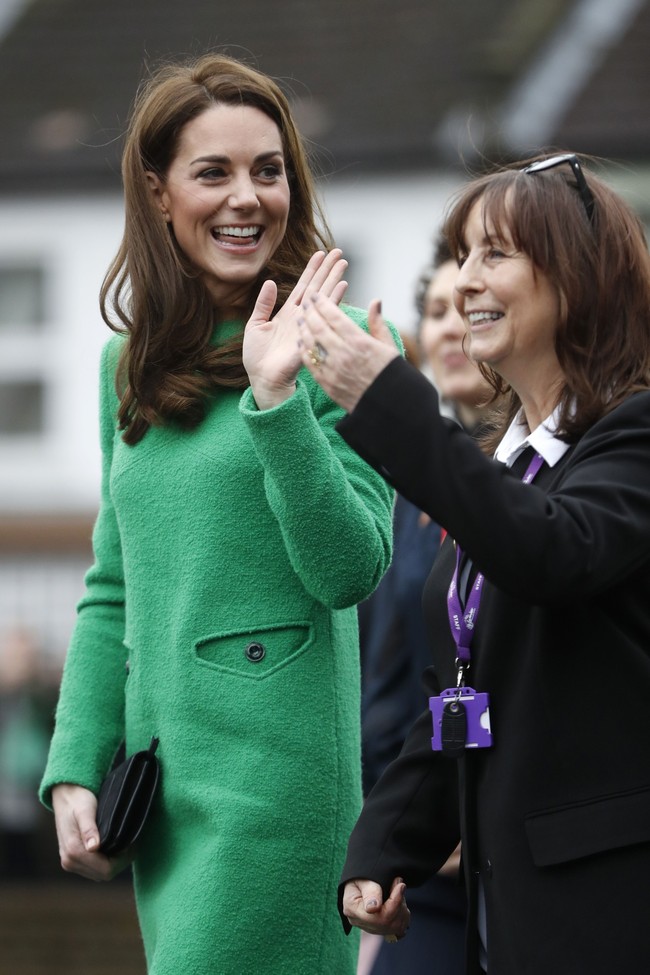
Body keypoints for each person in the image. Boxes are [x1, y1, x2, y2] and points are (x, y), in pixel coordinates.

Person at [38, 53, 397, 975]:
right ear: (159, 194)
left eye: (268, 171)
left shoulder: (350, 346)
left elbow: (351, 566)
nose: (247, 198)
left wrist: (278, 404)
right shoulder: (127, 366)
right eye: (214, 172)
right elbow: (112, 584)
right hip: (166, 789)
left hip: (280, 793)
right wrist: (77, 758)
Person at [297, 153, 650, 974]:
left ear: (579, 277)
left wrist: (390, 399)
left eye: (495, 254)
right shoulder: (509, 467)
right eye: (461, 256)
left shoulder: (635, 436)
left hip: (609, 914)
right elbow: (466, 697)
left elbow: (550, 551)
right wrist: (384, 845)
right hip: (508, 923)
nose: (463, 284)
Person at [358, 237, 492, 974]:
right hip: (420, 855)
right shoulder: (402, 491)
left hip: (501, 840)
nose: (448, 327)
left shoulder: (540, 476)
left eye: (467, 309)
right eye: (435, 310)